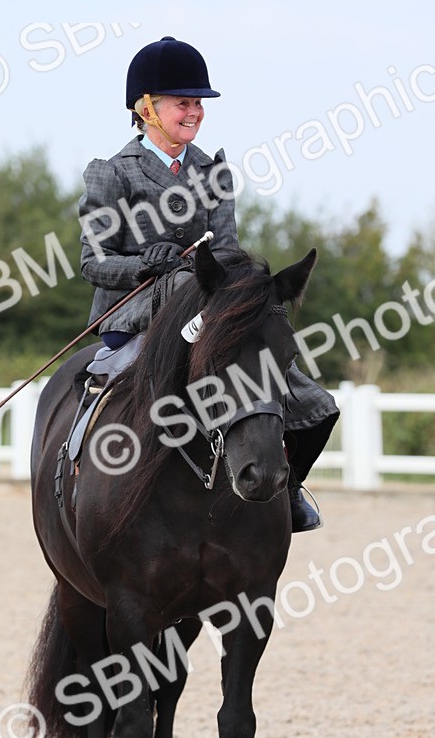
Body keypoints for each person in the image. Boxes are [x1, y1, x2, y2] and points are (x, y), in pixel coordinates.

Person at [78, 36, 339, 531]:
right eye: (184, 102)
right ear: (147, 108)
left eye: (199, 103)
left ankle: (290, 489)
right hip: (134, 312)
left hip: (202, 306)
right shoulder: (112, 174)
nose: (195, 112)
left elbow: (226, 249)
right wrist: (142, 265)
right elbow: (94, 262)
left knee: (296, 385)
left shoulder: (213, 171)